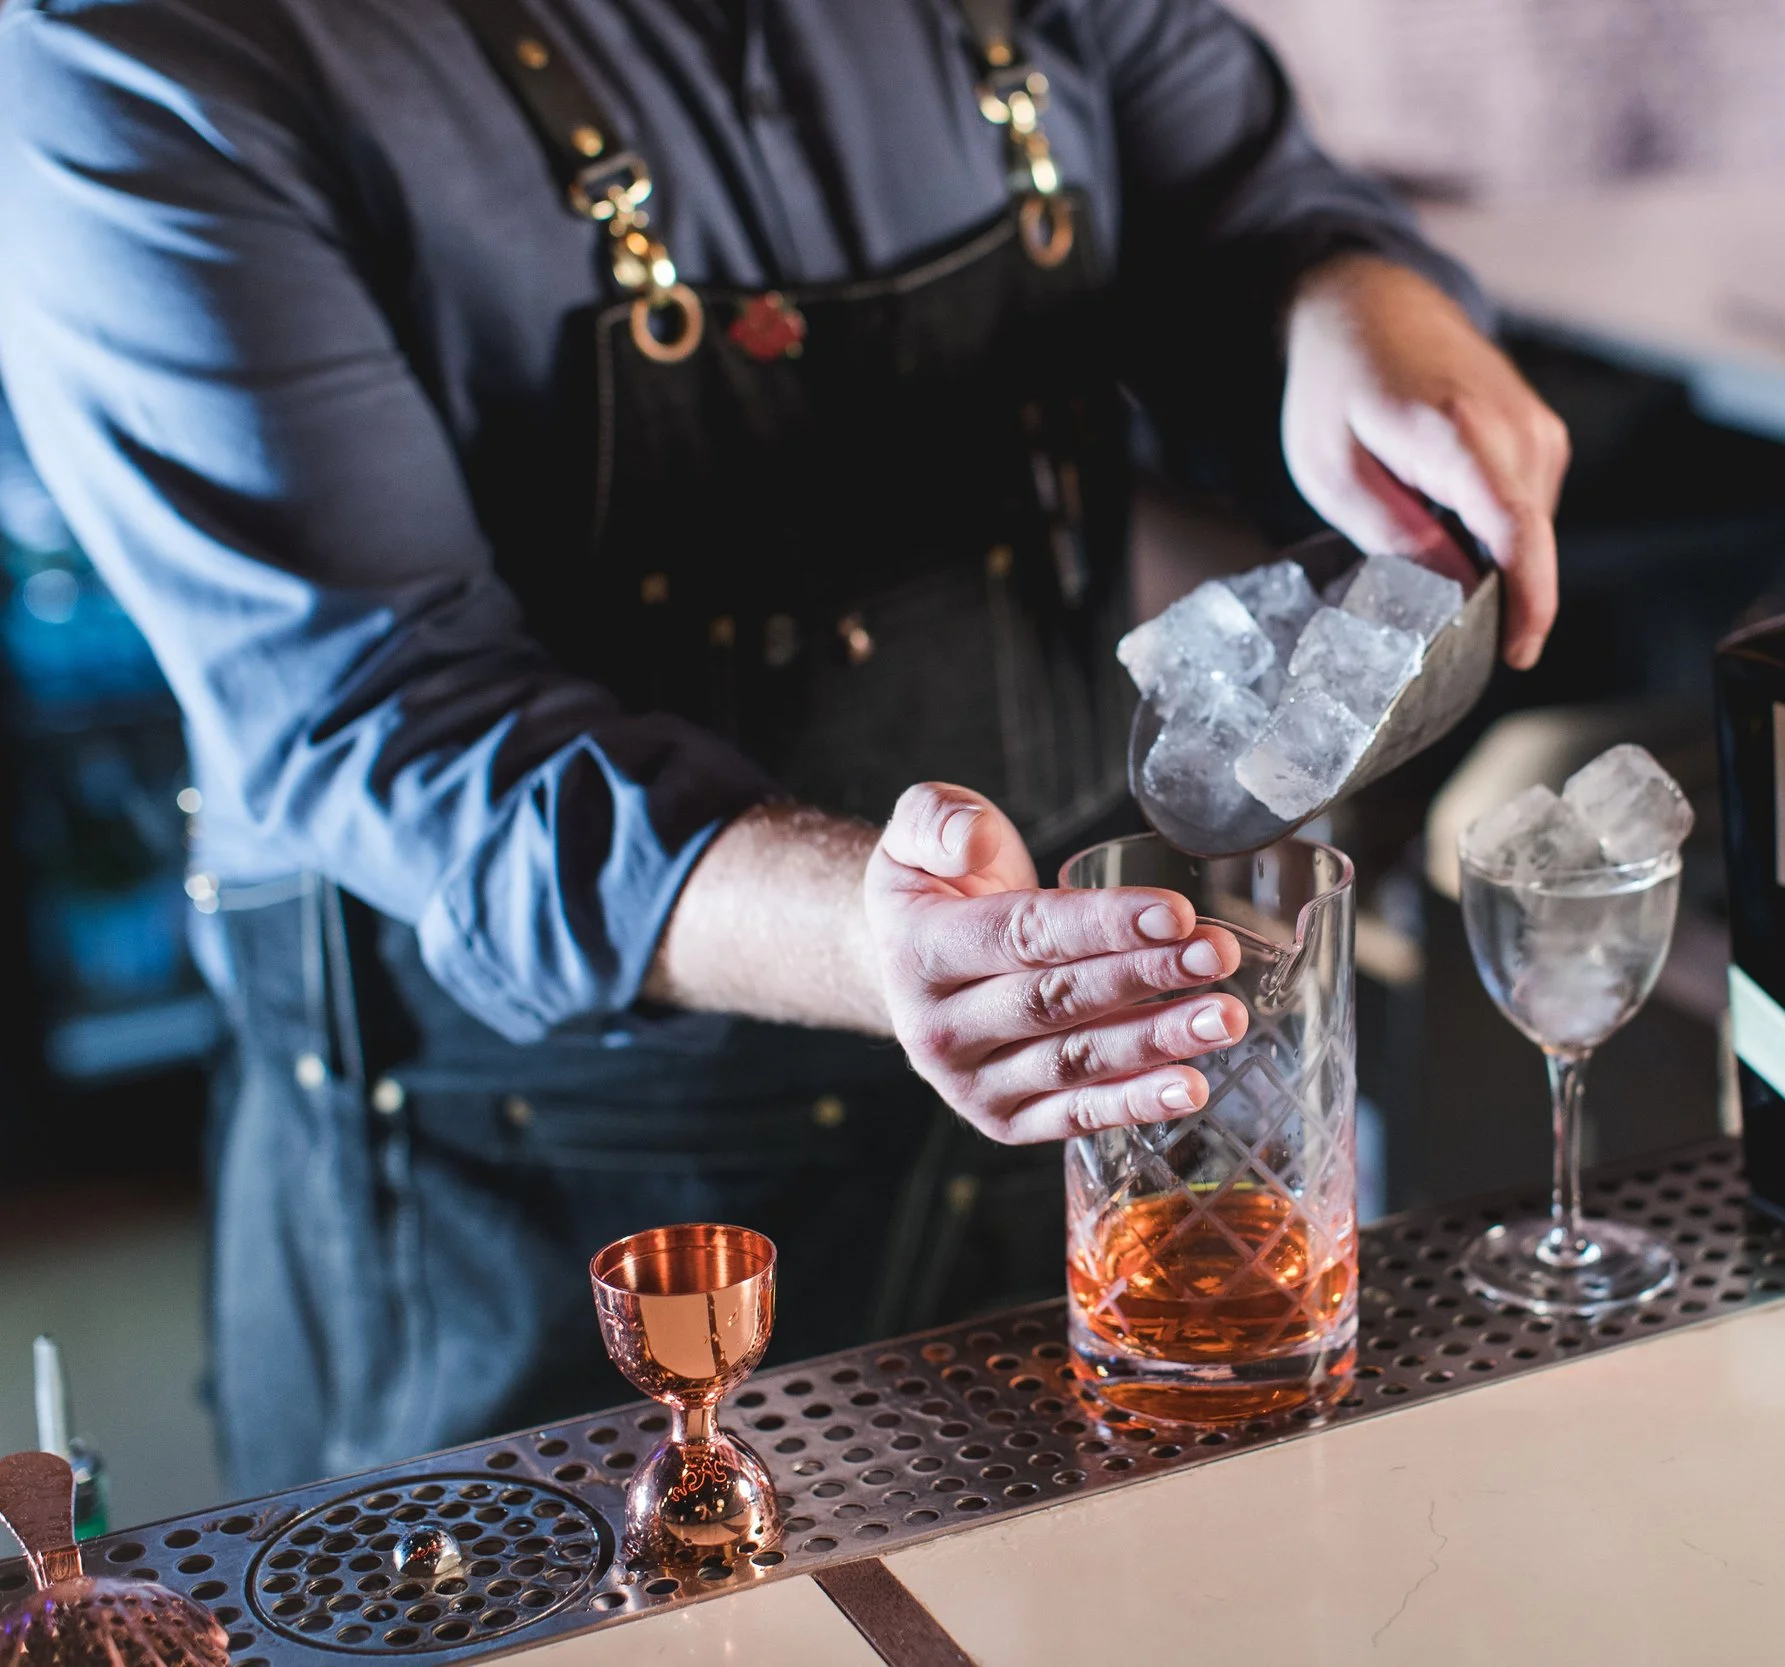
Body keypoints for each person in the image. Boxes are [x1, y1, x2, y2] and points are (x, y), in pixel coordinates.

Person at [0, 0, 1569, 1492]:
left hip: (1045, 1083)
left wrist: (1370, 317)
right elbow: (384, 708)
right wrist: (878, 943)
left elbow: (1244, 199)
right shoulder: (152, 51)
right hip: (549, 1195)